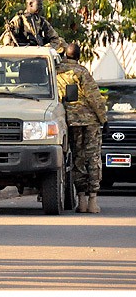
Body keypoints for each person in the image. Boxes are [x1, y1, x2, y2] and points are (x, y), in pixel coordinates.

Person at [56, 43, 108, 214]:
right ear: (78, 56)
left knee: (78, 158)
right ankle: (93, 201)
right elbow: (94, 97)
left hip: (71, 122)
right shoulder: (82, 71)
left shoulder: (56, 72)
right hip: (90, 122)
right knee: (93, 158)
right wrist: (104, 119)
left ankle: (82, 200)